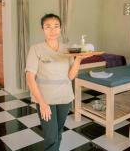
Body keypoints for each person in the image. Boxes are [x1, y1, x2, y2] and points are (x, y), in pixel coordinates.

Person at [25, 13, 93, 151]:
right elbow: (30, 77)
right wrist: (42, 103)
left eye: (56, 26)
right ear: (42, 29)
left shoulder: (66, 49)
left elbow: (70, 76)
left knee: (58, 132)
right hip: (46, 99)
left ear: (60, 29)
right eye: (48, 26)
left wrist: (79, 59)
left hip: (65, 97)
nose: (52, 30)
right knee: (51, 137)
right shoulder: (36, 49)